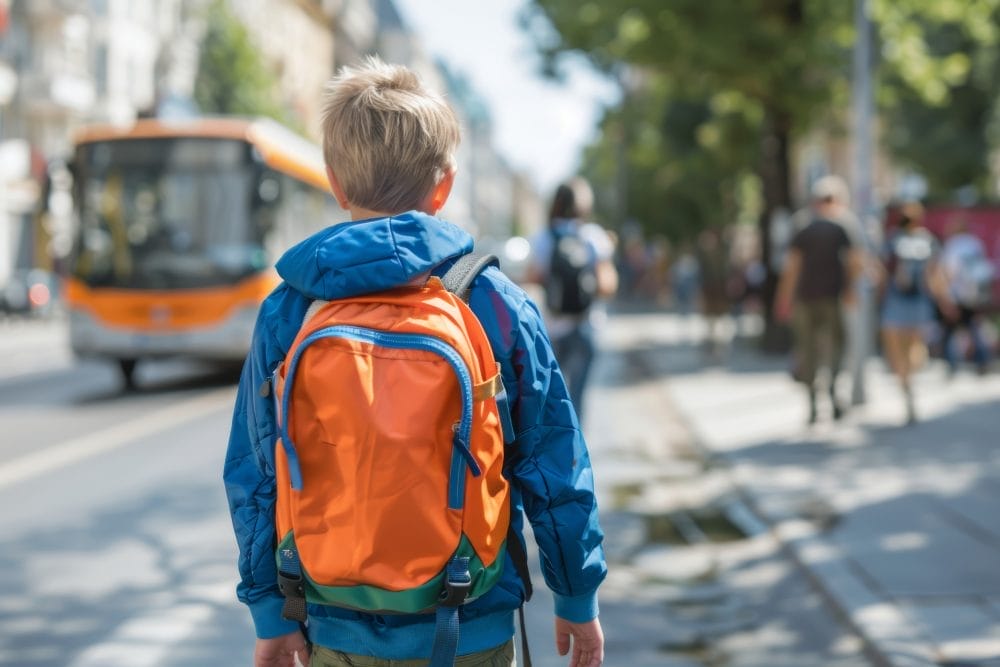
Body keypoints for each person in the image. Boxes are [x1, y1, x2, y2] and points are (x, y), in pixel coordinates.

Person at [223, 57, 607, 667]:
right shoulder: (493, 303)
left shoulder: (289, 311)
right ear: (444, 186)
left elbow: (255, 471)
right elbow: (553, 460)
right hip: (469, 620)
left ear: (335, 182)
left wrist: (271, 612)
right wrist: (576, 593)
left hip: (333, 621)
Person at [526, 178, 618, 421]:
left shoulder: (545, 237)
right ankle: (578, 443)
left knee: (554, 399)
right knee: (578, 398)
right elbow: (607, 286)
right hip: (587, 325)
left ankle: (557, 443)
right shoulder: (593, 236)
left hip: (553, 328)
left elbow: (533, 277)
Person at [775, 175, 863, 424]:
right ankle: (832, 394)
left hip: (806, 299)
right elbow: (855, 261)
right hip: (831, 297)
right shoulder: (843, 225)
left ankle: (813, 403)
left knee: (808, 349)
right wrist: (850, 289)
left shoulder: (802, 225)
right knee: (836, 347)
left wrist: (784, 299)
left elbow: (791, 268)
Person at [878, 202, 943, 424]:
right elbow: (934, 276)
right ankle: (910, 381)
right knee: (915, 348)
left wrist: (879, 299)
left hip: (894, 303)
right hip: (919, 303)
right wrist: (943, 302)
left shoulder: (892, 240)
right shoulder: (928, 241)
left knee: (897, 352)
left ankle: (905, 386)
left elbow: (882, 273)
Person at [937, 217, 994, 376]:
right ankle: (982, 360)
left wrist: (946, 294)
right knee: (973, 327)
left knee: (950, 329)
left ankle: (951, 365)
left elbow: (950, 270)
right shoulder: (975, 243)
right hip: (974, 294)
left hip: (957, 293)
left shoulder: (953, 244)